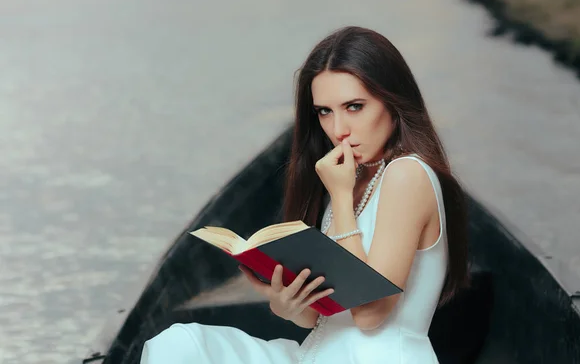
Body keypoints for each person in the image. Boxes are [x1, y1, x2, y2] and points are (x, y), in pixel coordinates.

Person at [140, 26, 469, 364]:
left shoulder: (406, 175)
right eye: (324, 111)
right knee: (180, 345)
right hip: (315, 354)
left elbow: (369, 315)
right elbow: (316, 318)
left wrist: (340, 199)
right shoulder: (351, 178)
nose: (338, 129)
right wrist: (286, 304)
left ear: (392, 101)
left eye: (354, 106)